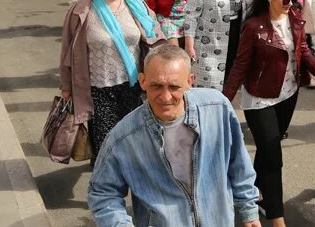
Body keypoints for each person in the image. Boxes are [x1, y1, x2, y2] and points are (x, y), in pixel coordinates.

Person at [87, 44, 260, 227]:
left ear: (190, 81)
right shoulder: (123, 138)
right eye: (156, 86)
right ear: (143, 81)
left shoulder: (217, 108)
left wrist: (249, 210)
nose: (165, 96)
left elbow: (238, 161)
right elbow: (102, 193)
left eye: (174, 87)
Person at [223, 0, 315, 227]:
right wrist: (223, 102)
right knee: (273, 156)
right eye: (285, 0)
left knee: (267, 150)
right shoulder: (254, 27)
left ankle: (252, 193)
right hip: (260, 97)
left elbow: (304, 52)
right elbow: (240, 66)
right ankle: (277, 217)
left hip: (288, 94)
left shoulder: (295, 18)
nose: (291, 4)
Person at [60, 0, 163, 161]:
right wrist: (66, 87)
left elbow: (157, 40)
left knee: (133, 144)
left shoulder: (138, 6)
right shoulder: (81, 12)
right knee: (106, 147)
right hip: (98, 90)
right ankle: (104, 188)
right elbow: (66, 52)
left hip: (133, 87)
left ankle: (128, 184)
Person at [184, 0, 246, 89]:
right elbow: (191, 17)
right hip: (209, 43)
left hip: (235, 38)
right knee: (208, 85)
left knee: (230, 82)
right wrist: (189, 45)